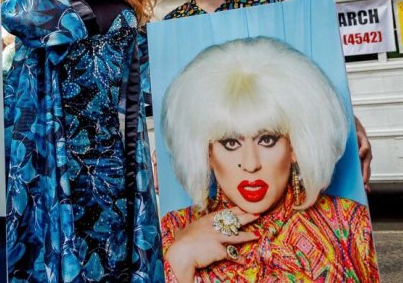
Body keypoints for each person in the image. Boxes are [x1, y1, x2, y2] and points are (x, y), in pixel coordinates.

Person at [0, 0, 163, 282]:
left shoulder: (117, 2)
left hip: (113, 164)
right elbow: (21, 17)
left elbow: (142, 82)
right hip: (55, 164)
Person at [164, 0, 373, 191]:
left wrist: (353, 126)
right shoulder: (170, 28)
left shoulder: (268, 5)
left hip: (272, 150)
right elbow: (168, 103)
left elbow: (311, 71)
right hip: (212, 165)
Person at [159, 37, 379, 283]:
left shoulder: (350, 224)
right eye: (230, 143)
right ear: (207, 152)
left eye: (267, 140)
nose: (251, 164)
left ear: (295, 146)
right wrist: (180, 259)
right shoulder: (172, 230)